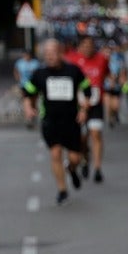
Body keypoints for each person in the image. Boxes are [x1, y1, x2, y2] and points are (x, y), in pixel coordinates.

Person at [21, 39, 90, 206]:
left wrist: (84, 109)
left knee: (74, 157)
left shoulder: (73, 71)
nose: (49, 57)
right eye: (46, 54)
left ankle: (72, 169)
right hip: (50, 121)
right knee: (55, 153)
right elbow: (27, 92)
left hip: (71, 121)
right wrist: (28, 107)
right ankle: (62, 190)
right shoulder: (40, 73)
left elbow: (87, 89)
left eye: (52, 53)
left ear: (60, 53)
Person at [66, 36, 111, 183]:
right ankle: (85, 159)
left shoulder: (102, 59)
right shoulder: (71, 60)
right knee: (82, 138)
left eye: (90, 45)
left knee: (96, 134)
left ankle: (97, 168)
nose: (88, 48)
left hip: (96, 103)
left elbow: (107, 74)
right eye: (84, 45)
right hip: (78, 105)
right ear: (79, 47)